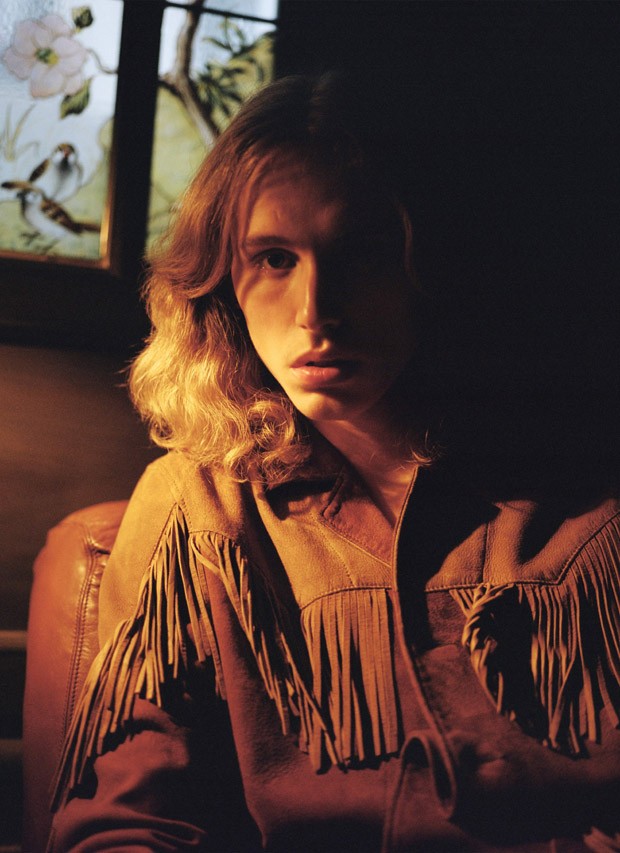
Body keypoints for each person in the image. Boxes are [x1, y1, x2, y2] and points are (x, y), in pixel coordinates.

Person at [48, 73, 619, 852]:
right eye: (275, 258)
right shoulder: (199, 509)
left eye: (363, 254)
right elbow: (126, 822)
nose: (317, 311)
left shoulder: (587, 495)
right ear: (222, 282)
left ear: (432, 267)